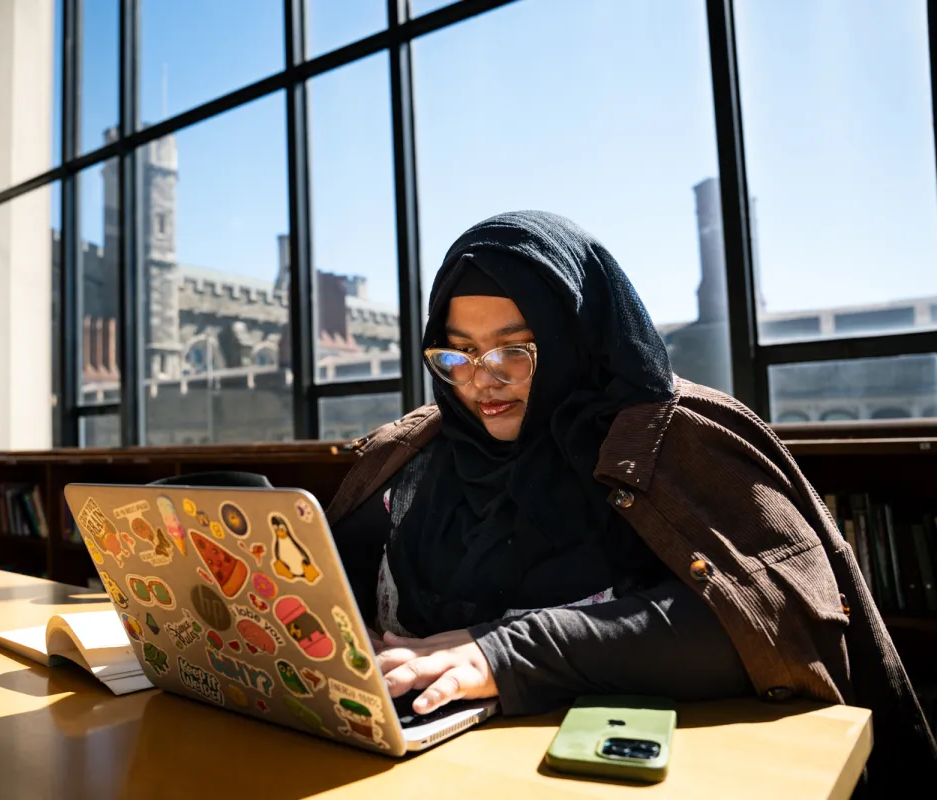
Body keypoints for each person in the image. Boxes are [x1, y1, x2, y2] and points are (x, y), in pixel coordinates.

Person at [326, 211, 935, 793]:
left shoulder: (676, 438)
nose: (484, 379)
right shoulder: (420, 453)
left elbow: (775, 617)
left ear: (575, 340)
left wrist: (509, 654)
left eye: (516, 348)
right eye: (458, 354)